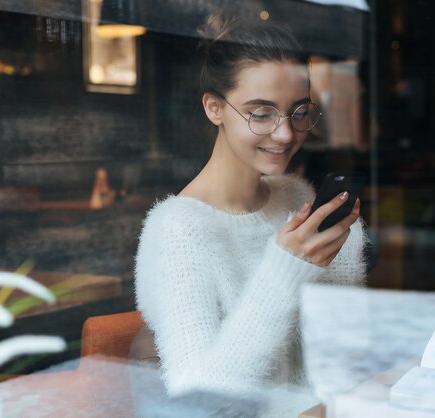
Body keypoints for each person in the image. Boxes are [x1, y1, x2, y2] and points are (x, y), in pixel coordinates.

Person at [134, 11, 367, 399]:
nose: (285, 133)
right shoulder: (178, 230)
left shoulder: (297, 198)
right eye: (261, 113)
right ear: (214, 108)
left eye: (299, 112)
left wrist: (344, 249)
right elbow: (200, 398)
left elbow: (342, 355)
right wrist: (286, 271)